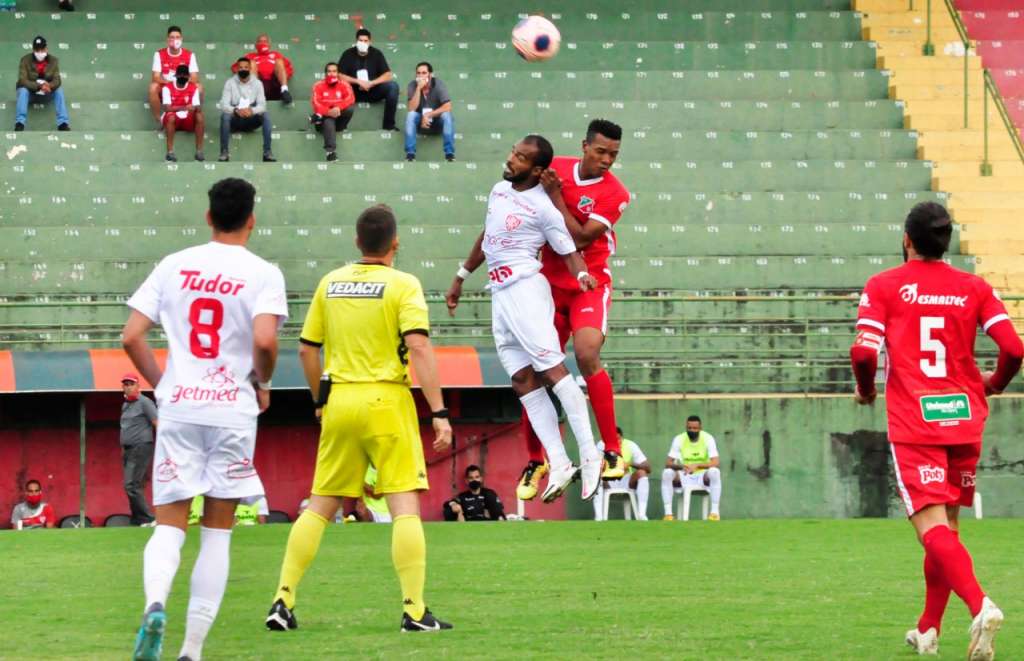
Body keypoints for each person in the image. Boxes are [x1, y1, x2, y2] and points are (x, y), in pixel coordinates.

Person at [266, 204, 454, 634]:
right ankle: (414, 611)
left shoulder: (330, 282)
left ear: (356, 241)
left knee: (320, 505)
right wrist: (439, 412)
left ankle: (282, 600)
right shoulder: (404, 284)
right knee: (404, 506)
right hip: (387, 400)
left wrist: (320, 400)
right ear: (395, 243)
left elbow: (306, 349)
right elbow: (419, 347)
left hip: (340, 400)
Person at [122, 177, 288, 661]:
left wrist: (164, 385)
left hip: (181, 407)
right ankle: (191, 651)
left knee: (169, 525)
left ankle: (155, 604)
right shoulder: (263, 273)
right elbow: (264, 342)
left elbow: (131, 336)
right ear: (252, 220)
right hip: (231, 411)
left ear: (209, 217)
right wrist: (263, 383)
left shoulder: (174, 264)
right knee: (217, 533)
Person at [850, 201, 1023, 658]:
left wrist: (866, 391)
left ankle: (981, 605)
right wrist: (993, 385)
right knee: (947, 527)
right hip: (964, 419)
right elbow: (1014, 349)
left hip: (916, 421)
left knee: (930, 527)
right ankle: (928, 629)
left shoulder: (884, 285)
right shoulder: (974, 287)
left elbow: (864, 353)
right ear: (948, 242)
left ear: (907, 240)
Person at [445, 135, 604, 504]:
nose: (511, 159)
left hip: (525, 289)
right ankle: (560, 463)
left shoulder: (544, 208)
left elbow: (569, 250)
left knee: (552, 370)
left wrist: (582, 275)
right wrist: (462, 275)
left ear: (536, 169)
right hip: (500, 294)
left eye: (520, 157)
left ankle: (590, 455)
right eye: (513, 152)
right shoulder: (499, 190)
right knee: (521, 380)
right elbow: (488, 236)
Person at [512, 119, 631, 501]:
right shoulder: (555, 168)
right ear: (585, 146)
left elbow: (579, 238)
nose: (607, 160)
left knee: (586, 352)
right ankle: (536, 460)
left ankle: (611, 449)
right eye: (601, 151)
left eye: (613, 154)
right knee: (534, 371)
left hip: (588, 282)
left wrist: (555, 198)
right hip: (547, 284)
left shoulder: (615, 193)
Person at [661, 416, 722, 521]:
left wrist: (697, 465)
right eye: (689, 428)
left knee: (715, 472)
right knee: (667, 473)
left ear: (700, 428)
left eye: (695, 428)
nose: (692, 430)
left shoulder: (708, 438)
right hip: (684, 474)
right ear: (686, 427)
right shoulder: (679, 439)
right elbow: (668, 463)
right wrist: (681, 466)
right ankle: (668, 514)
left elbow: (716, 462)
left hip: (702, 475)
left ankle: (714, 513)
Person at [337, 28, 400, 131]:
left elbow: (388, 75)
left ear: (370, 41)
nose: (363, 43)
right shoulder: (348, 54)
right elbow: (339, 75)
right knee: (337, 87)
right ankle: (339, 126)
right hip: (353, 92)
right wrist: (358, 81)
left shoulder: (377, 53)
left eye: (365, 41)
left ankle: (388, 126)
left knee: (393, 87)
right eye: (360, 40)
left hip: (373, 90)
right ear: (356, 41)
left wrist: (371, 83)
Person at [218, 58, 275, 163]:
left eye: (246, 67)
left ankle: (267, 152)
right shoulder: (230, 83)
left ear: (250, 69)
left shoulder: (257, 83)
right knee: (225, 116)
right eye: (240, 67)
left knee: (265, 115)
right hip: (235, 119)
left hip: (251, 118)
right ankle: (224, 152)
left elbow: (262, 105)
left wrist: (252, 111)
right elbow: (223, 104)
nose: (243, 69)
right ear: (237, 69)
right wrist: (236, 110)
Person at [120, 372, 158, 527]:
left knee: (131, 485)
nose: (128, 387)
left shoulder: (145, 402)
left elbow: (157, 423)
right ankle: (137, 519)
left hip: (141, 446)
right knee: (133, 485)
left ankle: (148, 519)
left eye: (131, 384)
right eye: (126, 384)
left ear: (138, 386)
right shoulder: (125, 405)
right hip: (128, 449)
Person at [593, 428, 651, 521]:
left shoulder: (630, 445)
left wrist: (630, 464)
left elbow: (648, 468)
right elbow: (593, 466)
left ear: (622, 437)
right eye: (613, 440)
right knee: (596, 477)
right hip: (608, 480)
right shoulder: (601, 445)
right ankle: (599, 517)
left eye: (619, 439)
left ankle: (642, 515)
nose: (617, 442)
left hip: (626, 480)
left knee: (642, 473)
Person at [15, 35, 69, 131]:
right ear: (33, 50)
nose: (40, 52)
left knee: (59, 90)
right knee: (23, 90)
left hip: (47, 93)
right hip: (31, 94)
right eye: (37, 50)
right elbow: (22, 80)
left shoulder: (54, 61)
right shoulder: (25, 60)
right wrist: (40, 86)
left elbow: (57, 80)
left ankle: (63, 123)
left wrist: (49, 85)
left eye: (42, 49)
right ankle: (20, 123)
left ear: (46, 49)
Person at [149, 26, 200, 124]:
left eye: (177, 37)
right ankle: (160, 120)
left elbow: (194, 77)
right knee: (153, 87)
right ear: (167, 39)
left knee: (199, 87)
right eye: (172, 37)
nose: (175, 40)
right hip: (167, 85)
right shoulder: (159, 54)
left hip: (184, 85)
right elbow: (155, 77)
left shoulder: (189, 54)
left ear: (181, 39)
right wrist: (170, 83)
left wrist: (182, 82)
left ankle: (195, 117)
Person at [404, 62, 454, 162]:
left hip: (436, 120)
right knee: (411, 115)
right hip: (420, 123)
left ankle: (449, 154)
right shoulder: (412, 85)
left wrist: (428, 115)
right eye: (418, 73)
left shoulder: (438, 84)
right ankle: (410, 154)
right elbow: (411, 108)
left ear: (430, 75)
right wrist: (418, 88)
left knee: (447, 115)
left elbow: (448, 106)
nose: (421, 76)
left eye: (424, 73)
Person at [310, 62, 355, 162]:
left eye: (334, 71)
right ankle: (330, 153)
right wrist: (329, 111)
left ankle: (318, 117)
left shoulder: (344, 84)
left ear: (338, 73)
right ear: (325, 73)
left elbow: (350, 98)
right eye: (329, 71)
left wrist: (338, 107)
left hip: (339, 121)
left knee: (350, 109)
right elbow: (316, 104)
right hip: (323, 124)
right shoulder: (318, 85)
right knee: (328, 120)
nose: (332, 74)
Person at [161, 64, 205, 162]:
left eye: (185, 75)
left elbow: (197, 107)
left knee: (199, 116)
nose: (182, 77)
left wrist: (195, 108)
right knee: (170, 117)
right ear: (176, 76)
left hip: (187, 118)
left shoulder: (193, 88)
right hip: (173, 117)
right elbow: (167, 108)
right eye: (180, 75)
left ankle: (199, 151)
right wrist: (184, 107)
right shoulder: (167, 88)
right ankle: (170, 152)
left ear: (188, 77)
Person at [238, 33, 293, 104]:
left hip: (274, 84)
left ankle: (284, 90)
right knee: (251, 63)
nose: (262, 43)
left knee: (279, 61)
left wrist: (283, 77)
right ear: (256, 45)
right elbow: (240, 69)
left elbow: (288, 68)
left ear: (269, 45)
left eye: (265, 41)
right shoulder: (250, 56)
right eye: (260, 41)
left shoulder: (276, 54)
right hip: (258, 85)